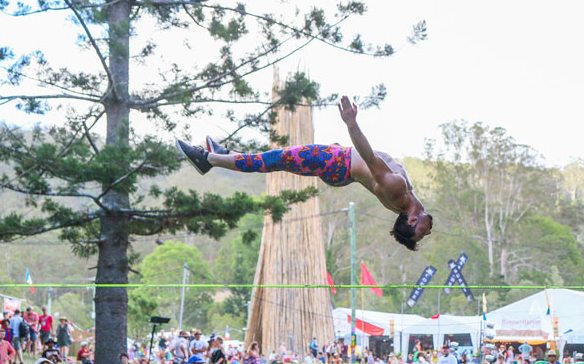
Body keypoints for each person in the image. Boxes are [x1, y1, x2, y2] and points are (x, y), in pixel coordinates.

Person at [177, 95, 433, 250]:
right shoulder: (405, 201)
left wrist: (352, 124)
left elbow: (369, 157)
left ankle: (208, 159)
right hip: (339, 166)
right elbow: (371, 161)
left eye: (422, 232)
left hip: (337, 162)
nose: (428, 231)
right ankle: (227, 155)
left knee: (274, 160)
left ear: (411, 220)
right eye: (424, 232)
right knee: (275, 160)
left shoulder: (399, 193)